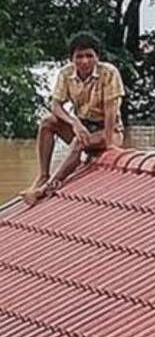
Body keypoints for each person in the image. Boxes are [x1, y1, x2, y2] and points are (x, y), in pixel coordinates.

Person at [22, 32, 124, 206]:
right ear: (72, 59)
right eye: (79, 57)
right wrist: (74, 123)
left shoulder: (109, 73)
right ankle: (43, 175)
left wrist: (108, 144)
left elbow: (111, 112)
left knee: (79, 142)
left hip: (108, 129)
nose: (84, 61)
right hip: (82, 125)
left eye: (89, 56)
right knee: (47, 122)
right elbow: (55, 105)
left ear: (97, 57)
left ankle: (47, 187)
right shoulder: (66, 73)